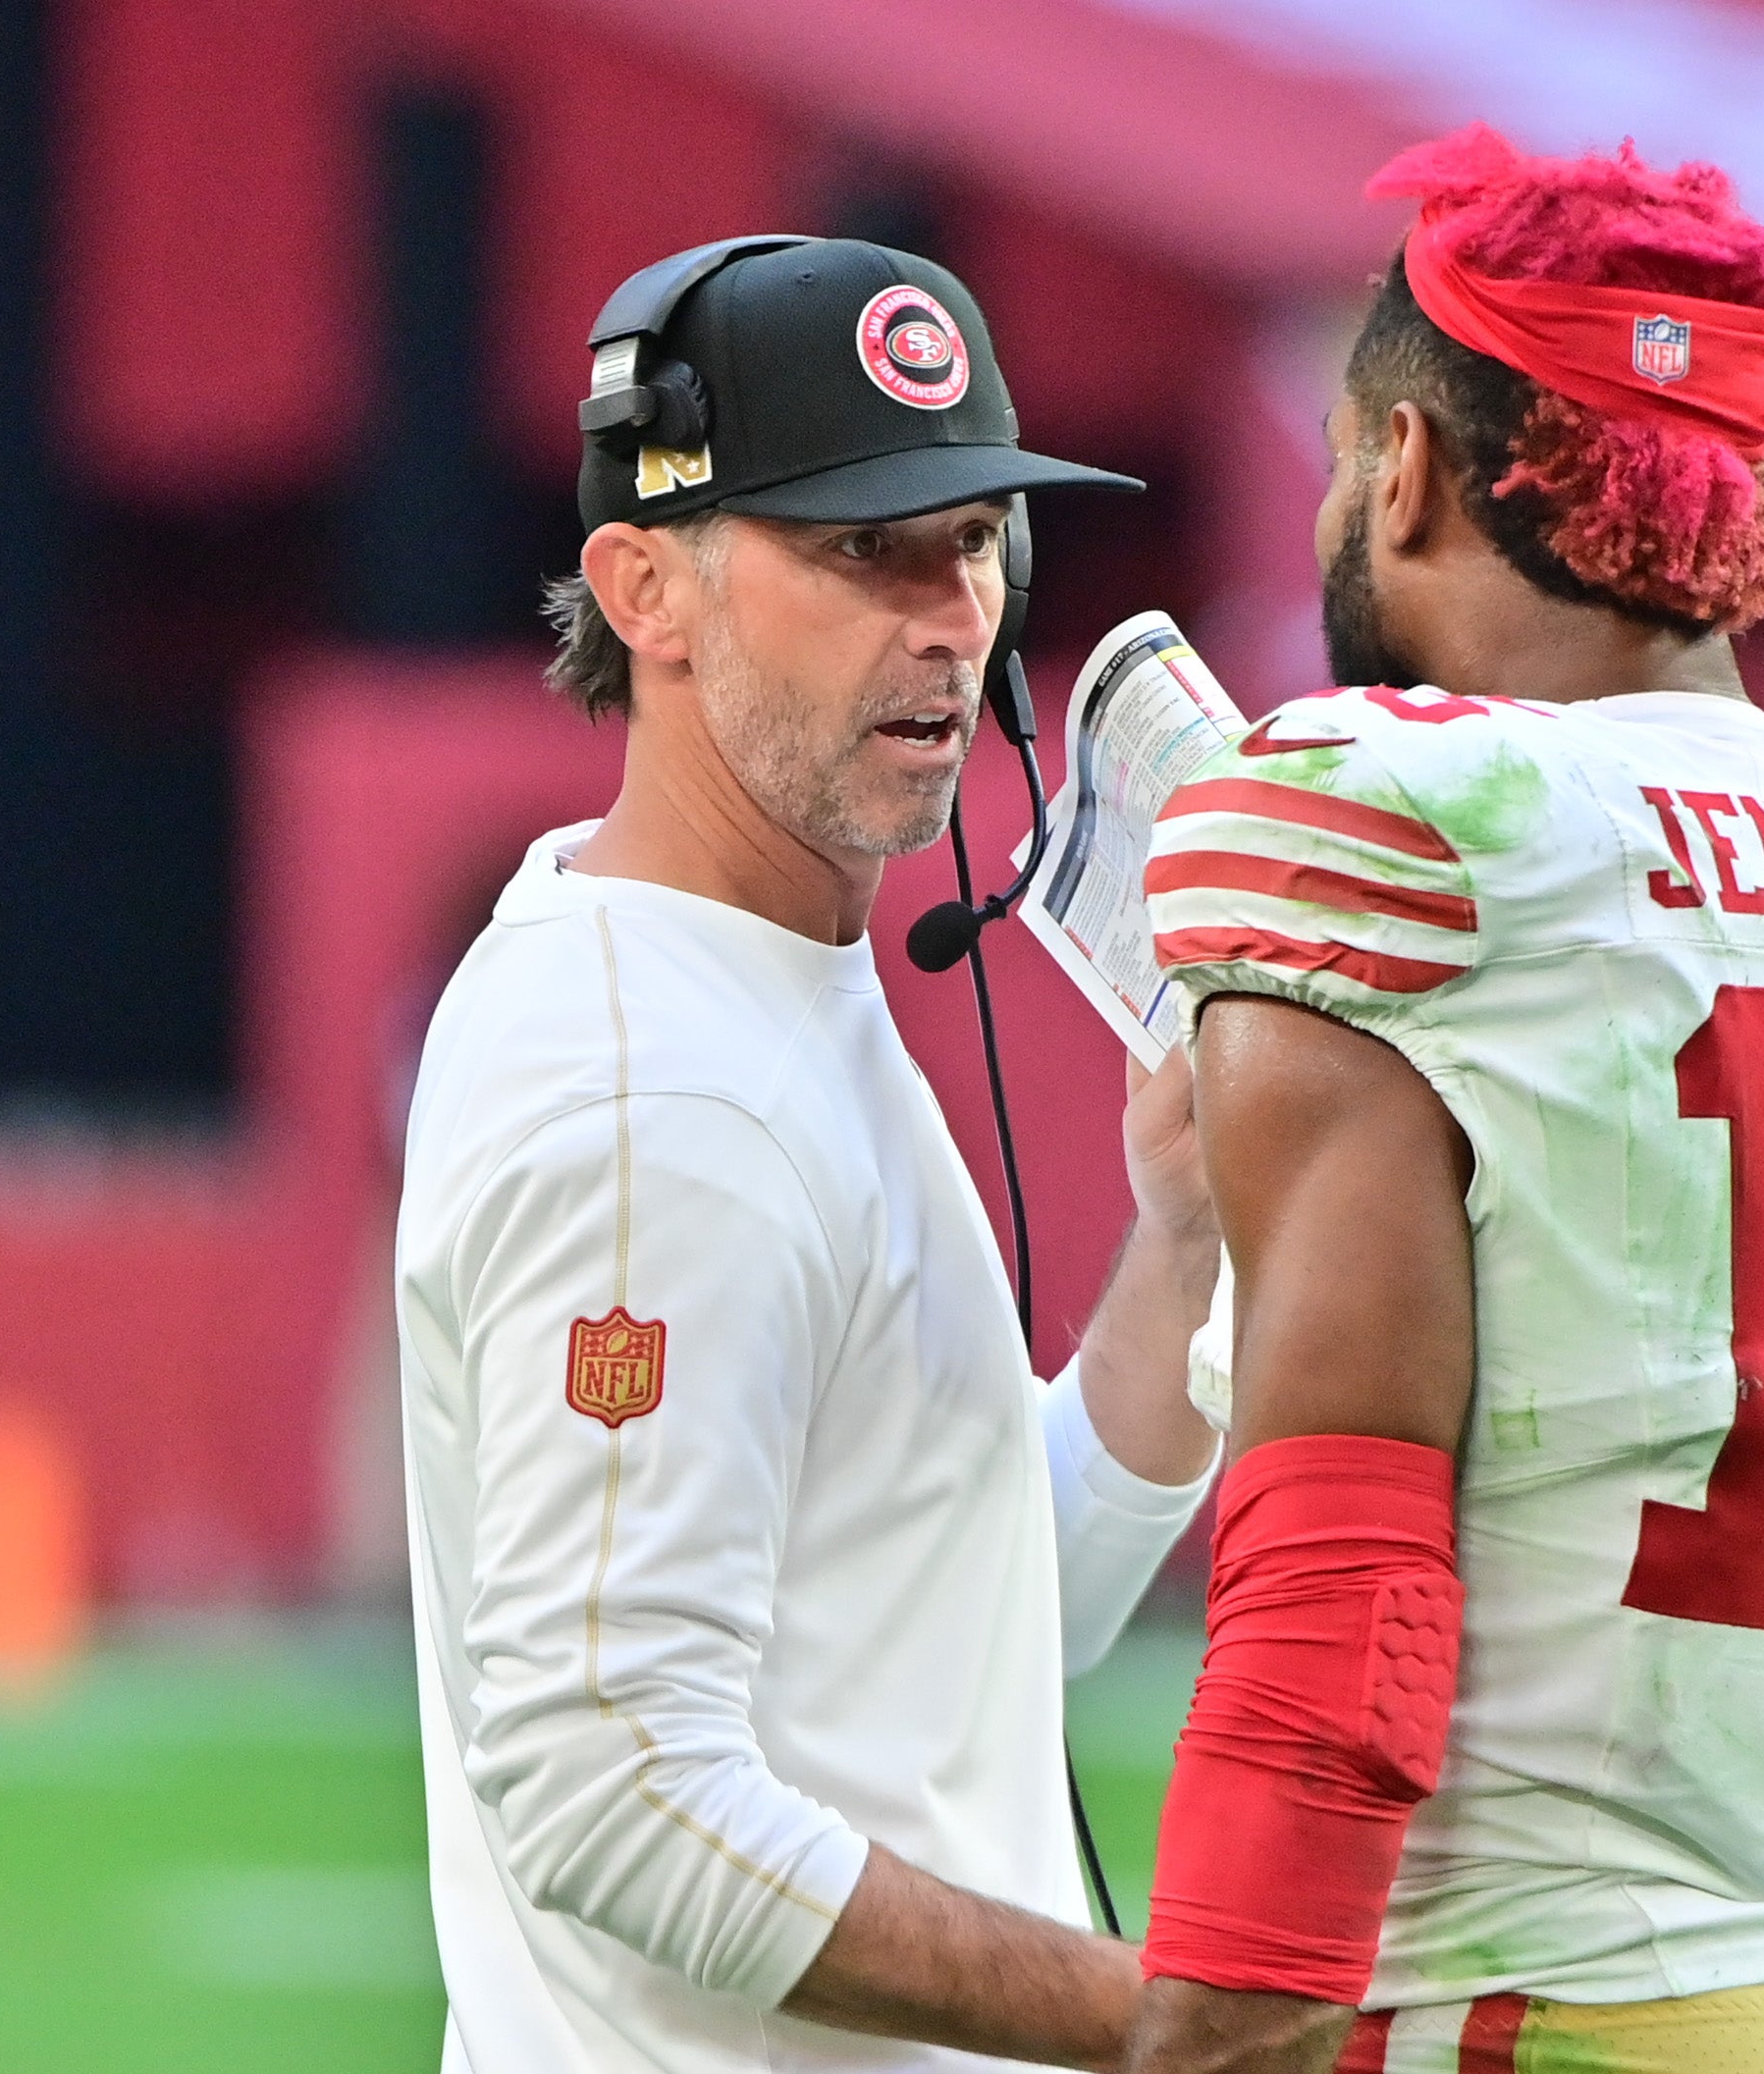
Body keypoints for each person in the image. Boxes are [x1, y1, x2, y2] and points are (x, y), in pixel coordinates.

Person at [1125, 128, 1764, 2074]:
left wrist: (1200, 2042)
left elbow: (1338, 1619)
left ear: (1402, 468)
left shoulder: (1407, 829)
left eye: (1347, 452)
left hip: (1556, 2006)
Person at [397, 237, 1221, 2072]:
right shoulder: (652, 1094)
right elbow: (610, 1785)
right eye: (866, 549)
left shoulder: (752, 980)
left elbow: (965, 1610)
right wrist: (1158, 2017)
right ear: (644, 590)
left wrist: (1184, 1249)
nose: (952, 614)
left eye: (978, 538)